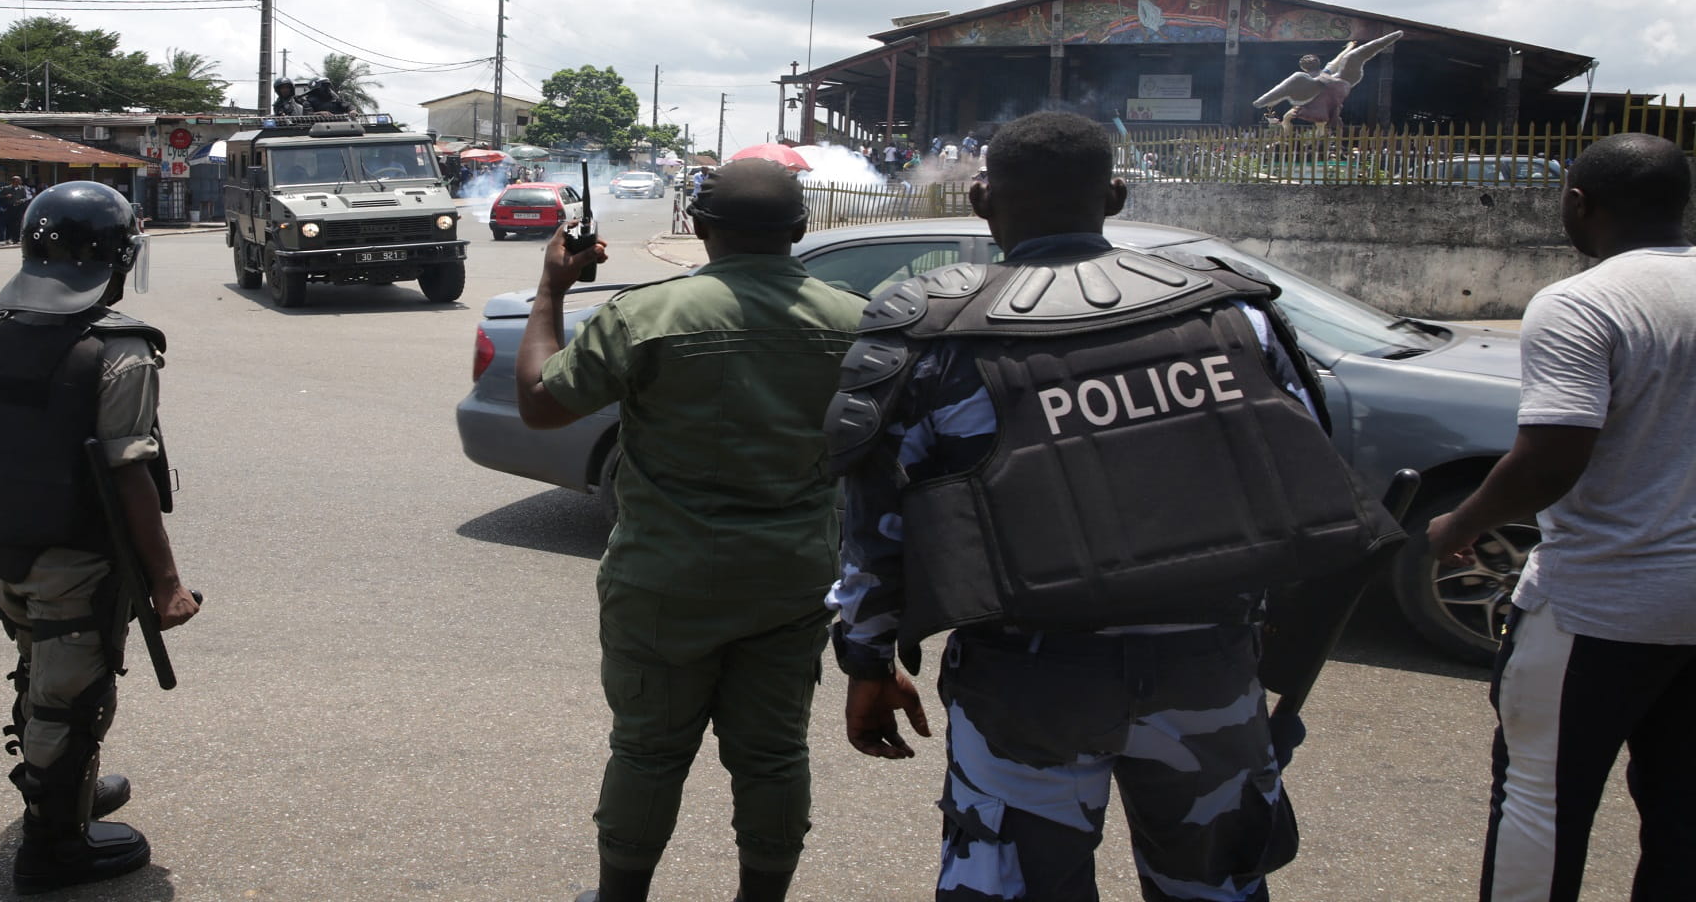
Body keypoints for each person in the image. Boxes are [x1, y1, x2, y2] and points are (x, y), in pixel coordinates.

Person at [827, 110, 1391, 901]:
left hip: (1027, 681)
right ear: (1116, 196)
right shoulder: (1234, 314)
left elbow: (878, 524)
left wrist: (867, 660)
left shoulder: (938, 336)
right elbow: (1305, 479)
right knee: (1215, 887)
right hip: (1211, 667)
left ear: (983, 200)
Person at [515, 159, 866, 902]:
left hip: (663, 578)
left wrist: (551, 288)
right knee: (774, 756)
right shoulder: (856, 321)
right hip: (791, 578)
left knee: (647, 753)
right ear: (802, 229)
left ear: (700, 228)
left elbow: (541, 404)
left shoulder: (645, 316)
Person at [1428, 133, 1696, 902]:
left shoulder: (1583, 302)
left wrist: (1459, 524)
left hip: (1600, 605)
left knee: (1542, 804)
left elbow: (1549, 462)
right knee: (1683, 812)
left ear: (1579, 204)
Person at [0, 181, 201, 893]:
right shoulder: (119, 351)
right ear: (117, 260)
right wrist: (167, 585)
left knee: (40, 668)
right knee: (75, 698)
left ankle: (66, 786)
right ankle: (54, 845)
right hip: (72, 560)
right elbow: (129, 474)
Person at [1252, 31, 1404, 134]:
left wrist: (1265, 102)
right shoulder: (1326, 72)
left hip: (1317, 106)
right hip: (1330, 102)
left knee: (1287, 117)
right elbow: (1338, 60)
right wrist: (1350, 47)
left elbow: (1281, 90)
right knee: (1319, 123)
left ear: (1304, 68)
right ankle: (1318, 137)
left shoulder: (1304, 77)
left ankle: (1289, 135)